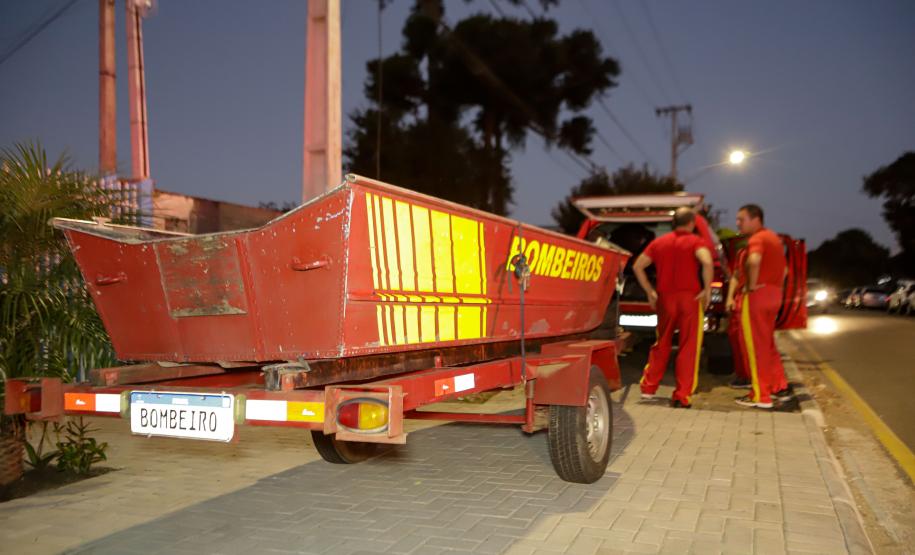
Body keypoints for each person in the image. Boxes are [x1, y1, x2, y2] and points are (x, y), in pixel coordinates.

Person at [633, 207, 714, 408]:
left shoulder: (659, 242)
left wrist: (650, 291)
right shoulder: (696, 242)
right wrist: (707, 290)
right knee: (688, 346)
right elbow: (707, 262)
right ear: (691, 223)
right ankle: (681, 396)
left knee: (662, 343)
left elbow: (637, 266)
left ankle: (649, 389)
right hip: (690, 299)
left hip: (666, 299)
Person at [731, 204, 791, 409]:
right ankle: (777, 387)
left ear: (755, 219)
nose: (738, 223)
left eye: (741, 219)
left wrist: (751, 285)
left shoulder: (756, 238)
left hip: (758, 296)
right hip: (774, 294)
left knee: (755, 347)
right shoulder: (774, 238)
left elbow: (754, 260)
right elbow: (785, 271)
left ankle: (760, 395)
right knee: (767, 345)